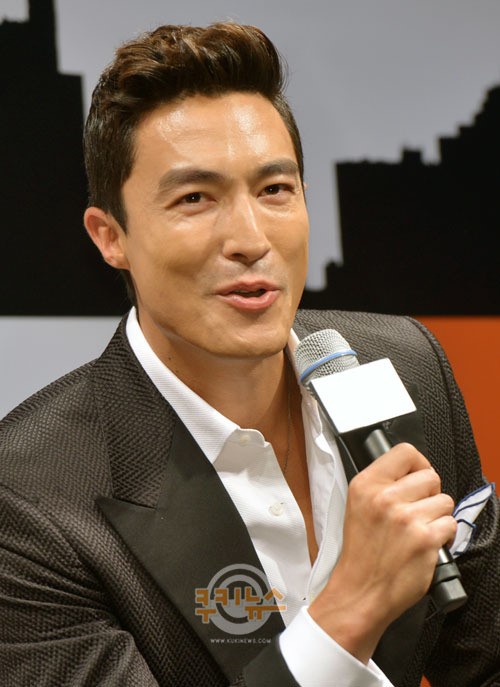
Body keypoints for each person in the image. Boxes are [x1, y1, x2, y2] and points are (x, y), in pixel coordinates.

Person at [0, 22, 498, 687]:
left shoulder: (406, 366)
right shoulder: (28, 496)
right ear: (110, 236)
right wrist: (347, 612)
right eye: (195, 199)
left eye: (274, 190)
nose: (250, 237)